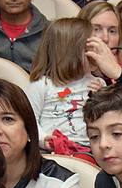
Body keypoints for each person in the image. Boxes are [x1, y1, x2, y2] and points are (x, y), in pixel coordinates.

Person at [26, 17, 103, 149]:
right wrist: (42, 139)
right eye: (88, 48)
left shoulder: (97, 83)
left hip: (90, 149)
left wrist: (103, 98)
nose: (95, 52)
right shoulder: (42, 85)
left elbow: (107, 120)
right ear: (69, 53)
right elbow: (28, 119)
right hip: (53, 151)